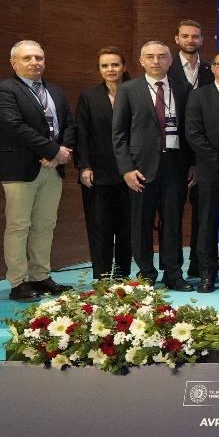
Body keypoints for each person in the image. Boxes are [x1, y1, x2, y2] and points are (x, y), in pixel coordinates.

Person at [0, 40, 75, 301]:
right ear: (13, 62)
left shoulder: (56, 91)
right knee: (18, 226)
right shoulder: (4, 90)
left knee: (45, 225)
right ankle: (18, 282)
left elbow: (70, 124)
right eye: (27, 58)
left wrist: (62, 152)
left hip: (53, 169)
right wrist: (53, 150)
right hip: (20, 169)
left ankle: (40, 276)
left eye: (39, 58)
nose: (34, 62)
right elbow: (13, 126)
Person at [112, 40, 193, 291]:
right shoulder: (128, 89)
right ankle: (146, 273)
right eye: (150, 57)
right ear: (141, 61)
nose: (156, 61)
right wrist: (126, 169)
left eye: (161, 56)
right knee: (141, 223)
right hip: (141, 167)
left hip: (175, 165)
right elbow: (119, 133)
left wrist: (192, 164)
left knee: (173, 222)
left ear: (170, 60)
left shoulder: (184, 88)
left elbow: (190, 130)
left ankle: (173, 273)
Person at [74, 47, 133, 282]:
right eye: (105, 65)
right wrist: (84, 166)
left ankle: (123, 276)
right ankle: (102, 277)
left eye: (115, 64)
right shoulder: (89, 96)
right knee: (99, 227)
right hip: (98, 173)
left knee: (127, 228)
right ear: (99, 69)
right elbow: (82, 133)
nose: (110, 69)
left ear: (124, 67)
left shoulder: (135, 93)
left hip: (131, 172)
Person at [185, 50, 219, 292]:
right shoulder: (198, 95)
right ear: (213, 68)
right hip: (209, 170)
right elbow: (193, 134)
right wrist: (218, 162)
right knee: (207, 224)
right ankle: (206, 274)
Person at [172, 20, 211, 92]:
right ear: (177, 39)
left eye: (195, 37)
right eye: (185, 36)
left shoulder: (210, 69)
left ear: (201, 40)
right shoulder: (167, 67)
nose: (190, 40)